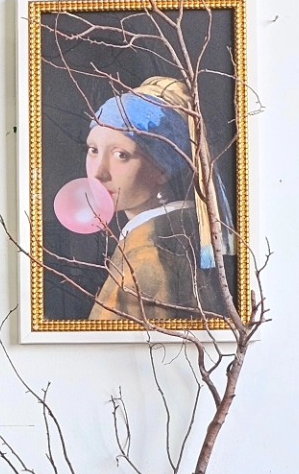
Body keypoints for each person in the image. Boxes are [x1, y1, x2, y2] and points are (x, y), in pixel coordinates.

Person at [84, 76, 231, 324]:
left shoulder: (147, 255)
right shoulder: (179, 232)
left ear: (162, 168)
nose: (98, 172)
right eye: (93, 150)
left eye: (121, 155)